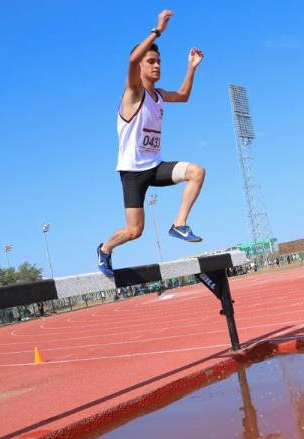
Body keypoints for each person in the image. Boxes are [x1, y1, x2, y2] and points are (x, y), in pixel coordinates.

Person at [97, 10, 207, 277]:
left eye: (159, 61)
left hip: (155, 166)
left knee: (197, 172)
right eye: (151, 61)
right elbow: (132, 58)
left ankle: (179, 224)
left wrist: (191, 68)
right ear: (141, 67)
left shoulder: (158, 96)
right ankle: (105, 248)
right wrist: (158, 30)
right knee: (135, 231)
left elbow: (182, 96)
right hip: (133, 173)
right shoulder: (133, 93)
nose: (157, 65)